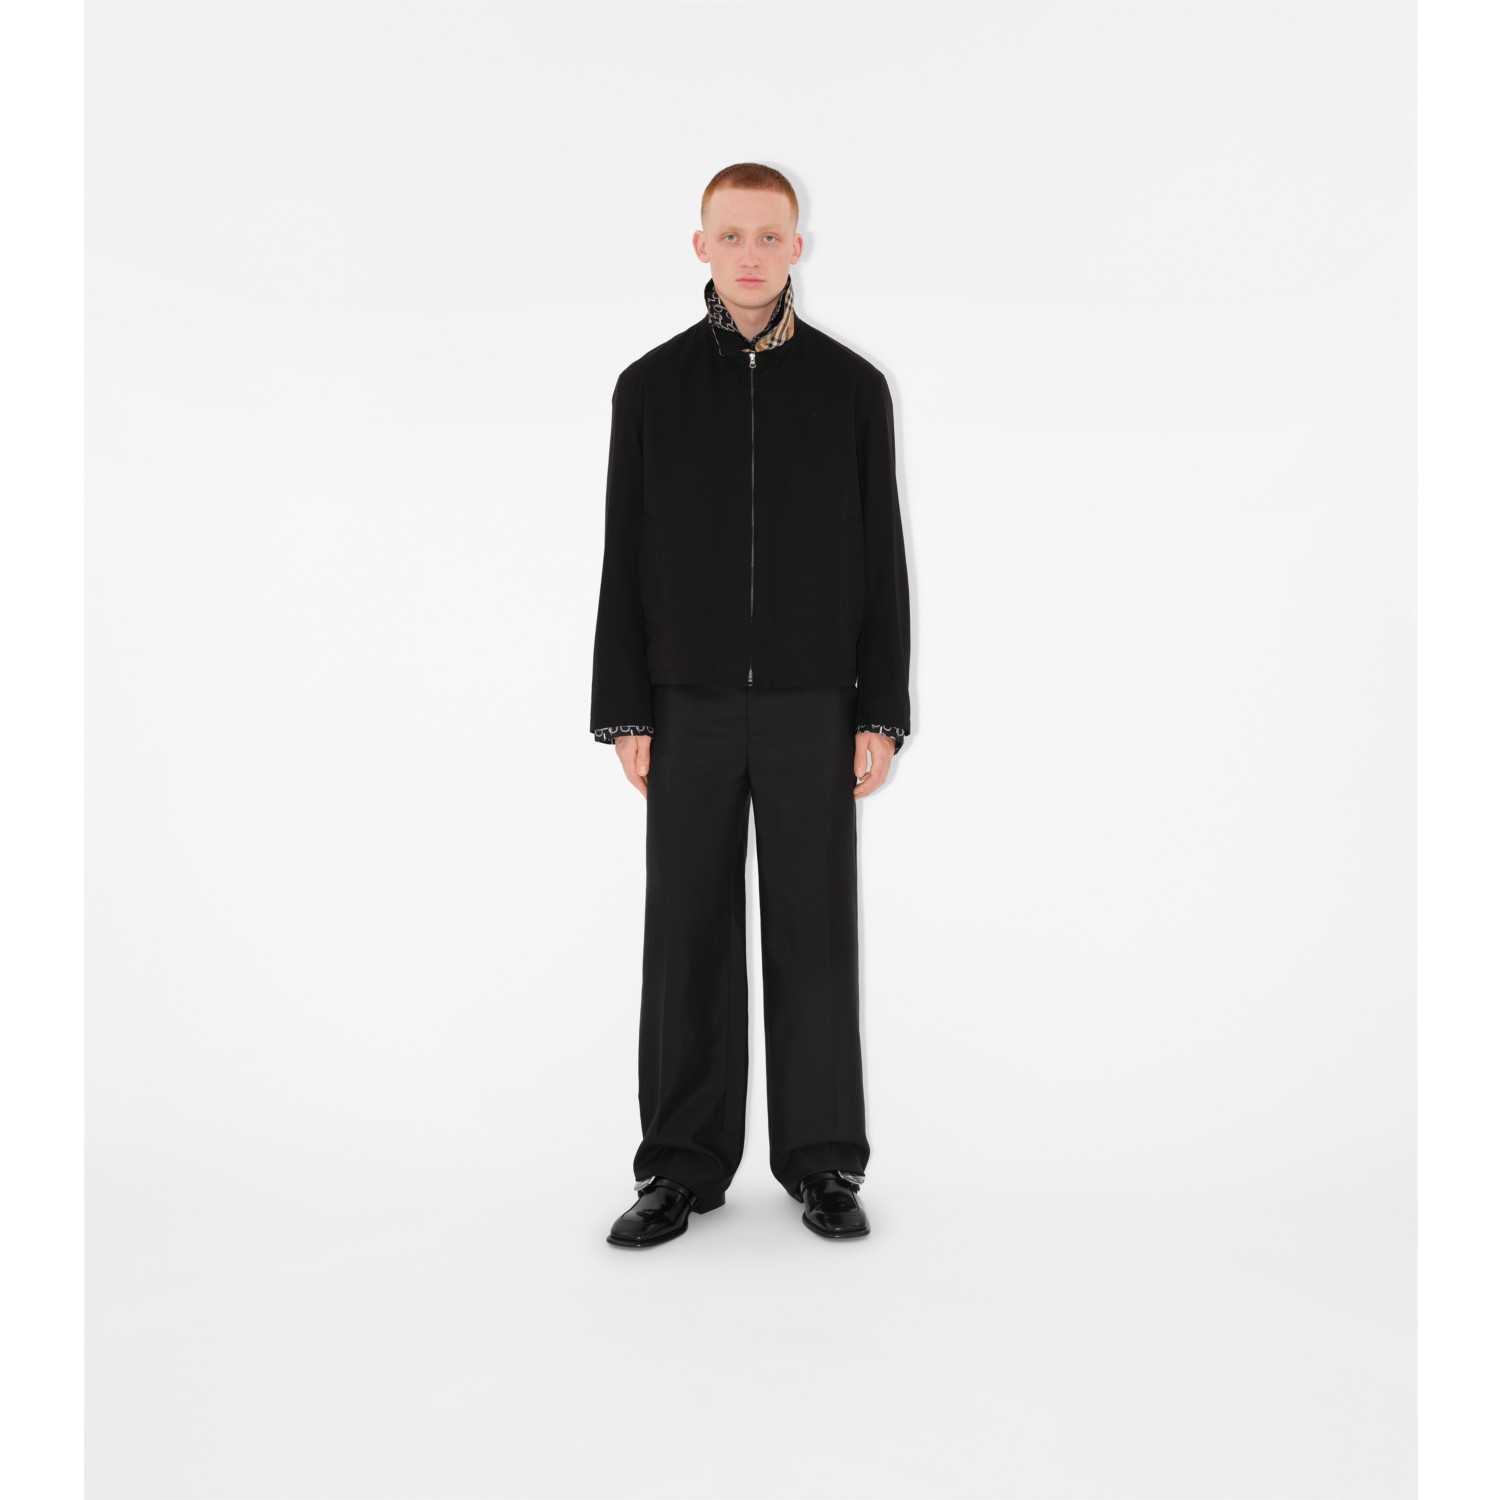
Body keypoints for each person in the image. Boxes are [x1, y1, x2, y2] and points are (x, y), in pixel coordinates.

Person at [589, 162, 912, 1248]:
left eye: (769, 236)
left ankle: (822, 1161)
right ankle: (679, 1166)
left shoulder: (850, 388)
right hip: (684, 703)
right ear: (700, 246)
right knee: (686, 932)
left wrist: (879, 709)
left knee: (813, 929)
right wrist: (626, 710)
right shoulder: (650, 388)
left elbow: (881, 560)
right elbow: (622, 556)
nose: (750, 254)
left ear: (797, 247)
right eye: (730, 235)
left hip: (812, 703)